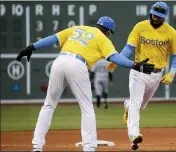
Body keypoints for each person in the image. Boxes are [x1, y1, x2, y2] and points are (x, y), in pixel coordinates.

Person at [16, 16, 155, 152]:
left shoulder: (77, 28)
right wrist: (134, 65)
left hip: (59, 61)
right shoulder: (103, 38)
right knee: (87, 108)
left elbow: (53, 38)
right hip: (78, 64)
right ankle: (89, 147)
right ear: (108, 31)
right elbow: (114, 57)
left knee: (49, 104)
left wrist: (32, 47)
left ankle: (37, 146)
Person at [106, 2, 176, 150]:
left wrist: (172, 72)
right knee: (136, 103)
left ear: (164, 17)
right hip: (139, 72)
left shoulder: (170, 31)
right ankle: (134, 136)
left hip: (156, 74)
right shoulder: (140, 26)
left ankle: (127, 106)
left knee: (141, 105)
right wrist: (117, 60)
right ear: (151, 12)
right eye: (154, 14)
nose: (155, 17)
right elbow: (130, 47)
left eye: (159, 16)